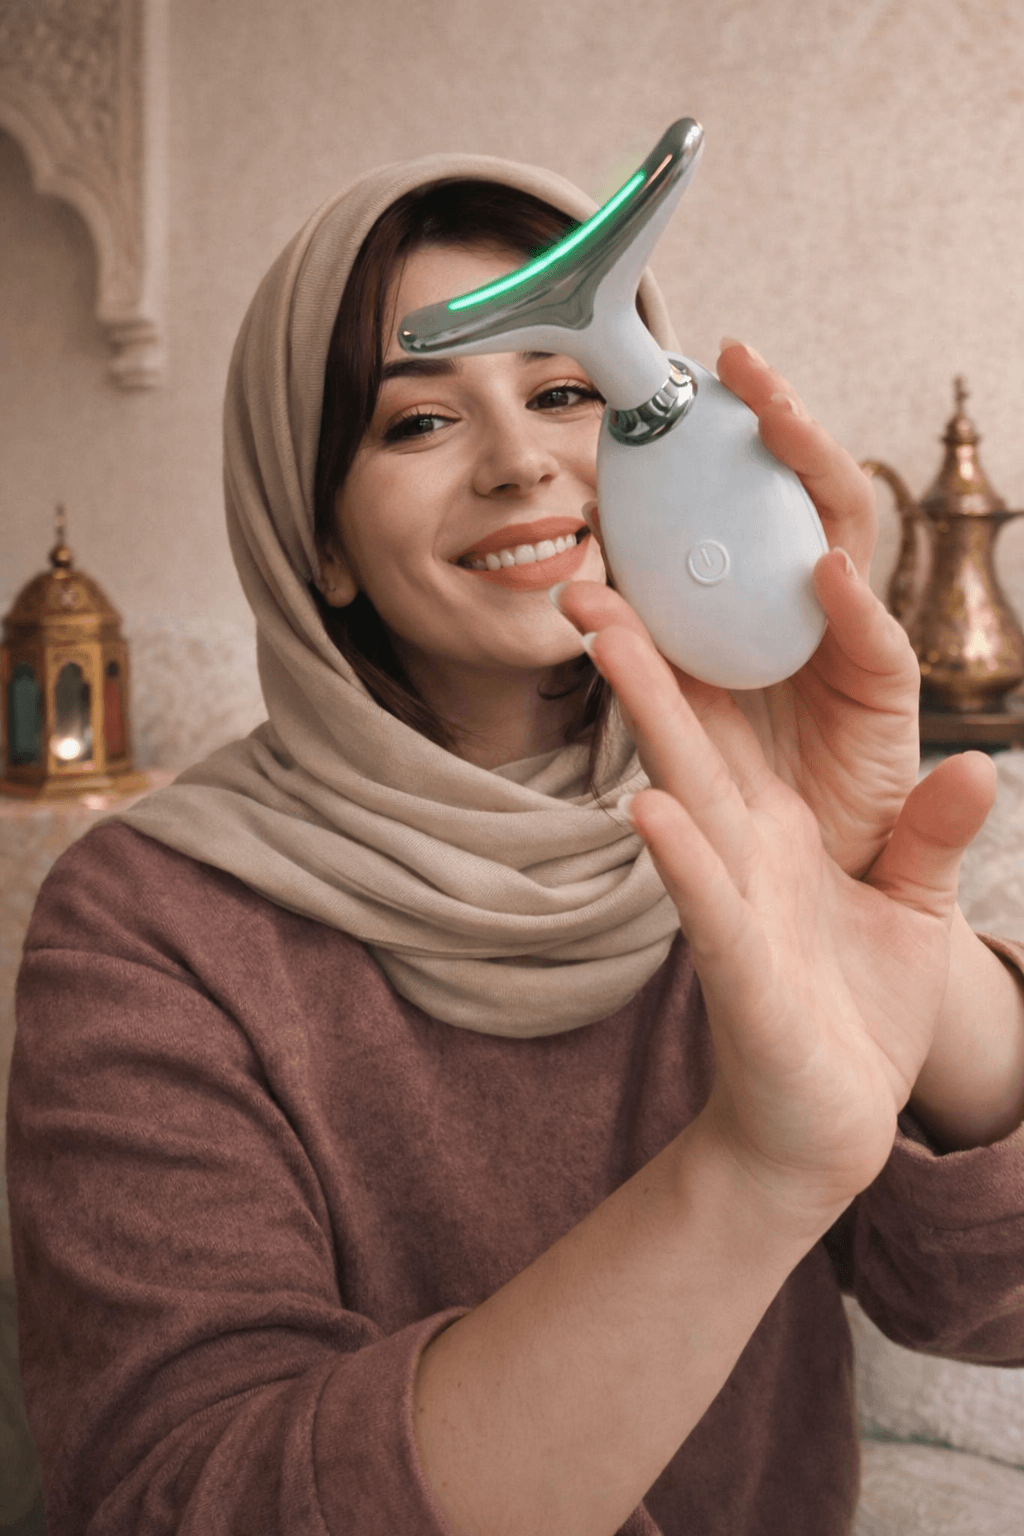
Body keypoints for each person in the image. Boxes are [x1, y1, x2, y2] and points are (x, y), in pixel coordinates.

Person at [7, 147, 1024, 1536]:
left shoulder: (753, 831)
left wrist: (883, 909)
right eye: (420, 421)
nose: (523, 462)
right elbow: (184, 1501)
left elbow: (991, 1303)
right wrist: (753, 1170)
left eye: (565, 393)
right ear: (318, 541)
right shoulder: (145, 924)